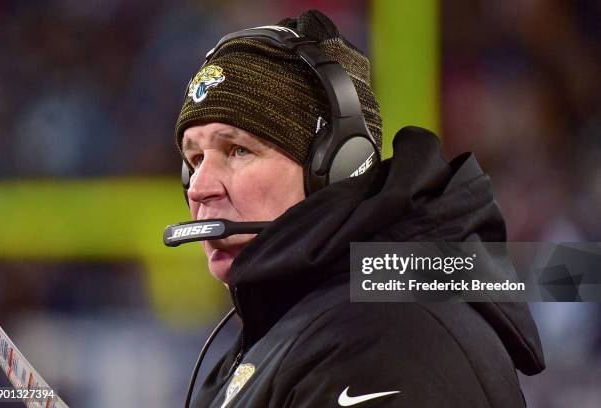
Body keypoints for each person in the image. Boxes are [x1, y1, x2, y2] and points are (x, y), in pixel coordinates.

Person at [173, 10, 545, 408]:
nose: (200, 188)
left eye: (238, 150)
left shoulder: (384, 339)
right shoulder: (297, 324)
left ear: (337, 166)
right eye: (194, 160)